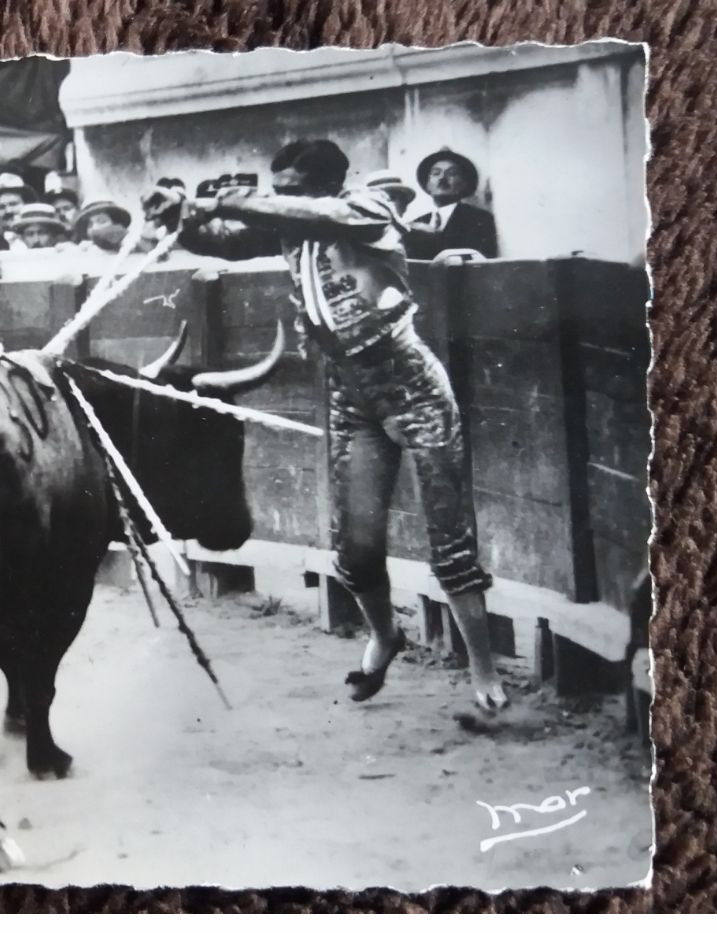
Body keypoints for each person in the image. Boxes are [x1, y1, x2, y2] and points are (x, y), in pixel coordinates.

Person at [143, 139, 506, 714]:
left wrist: (223, 201)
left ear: (324, 186)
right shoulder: (291, 225)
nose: (280, 198)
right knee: (356, 552)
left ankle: (484, 672)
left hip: (411, 386)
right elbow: (223, 243)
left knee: (449, 538)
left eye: (290, 189)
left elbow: (315, 215)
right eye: (276, 188)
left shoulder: (368, 210)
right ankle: (385, 637)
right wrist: (177, 218)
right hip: (350, 393)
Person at [405, 148, 498, 260]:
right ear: (428, 185)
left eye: (452, 173)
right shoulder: (418, 222)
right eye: (436, 173)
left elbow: (479, 262)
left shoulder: (478, 219)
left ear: (463, 184)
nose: (442, 178)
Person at [71, 199, 135, 253]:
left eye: (101, 221)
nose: (95, 227)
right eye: (90, 224)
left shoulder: (131, 245)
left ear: (115, 223)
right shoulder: (84, 252)